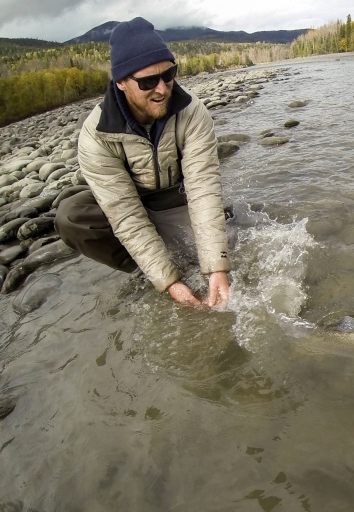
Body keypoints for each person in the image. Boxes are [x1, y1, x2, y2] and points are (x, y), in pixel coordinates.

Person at [55, 16, 230, 307]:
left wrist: (217, 267)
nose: (162, 89)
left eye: (169, 74)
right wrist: (169, 281)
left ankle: (186, 256)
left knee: (229, 246)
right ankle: (146, 272)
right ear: (122, 82)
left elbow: (203, 188)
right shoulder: (96, 134)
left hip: (176, 198)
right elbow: (125, 215)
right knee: (71, 215)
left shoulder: (193, 112)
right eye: (148, 81)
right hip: (132, 204)